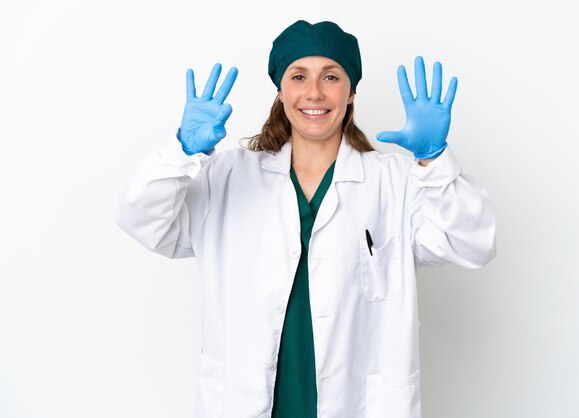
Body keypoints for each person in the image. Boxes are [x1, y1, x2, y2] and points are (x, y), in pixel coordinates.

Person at [117, 19, 496, 418]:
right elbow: (142, 220)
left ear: (351, 93)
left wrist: (433, 160)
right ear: (281, 93)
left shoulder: (397, 184)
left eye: (331, 76)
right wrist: (182, 151)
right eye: (299, 76)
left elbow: (475, 243)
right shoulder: (227, 178)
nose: (314, 92)